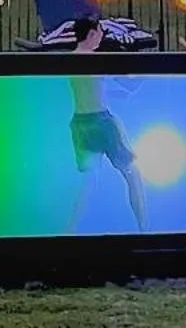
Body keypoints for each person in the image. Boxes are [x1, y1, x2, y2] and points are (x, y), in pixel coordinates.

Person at [68, 17, 147, 232]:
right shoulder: (96, 59)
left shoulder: (69, 59)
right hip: (102, 122)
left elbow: (92, 88)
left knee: (87, 182)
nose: (102, 36)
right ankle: (144, 228)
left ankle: (69, 231)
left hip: (79, 123)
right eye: (100, 31)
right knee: (133, 174)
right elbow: (127, 83)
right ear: (92, 33)